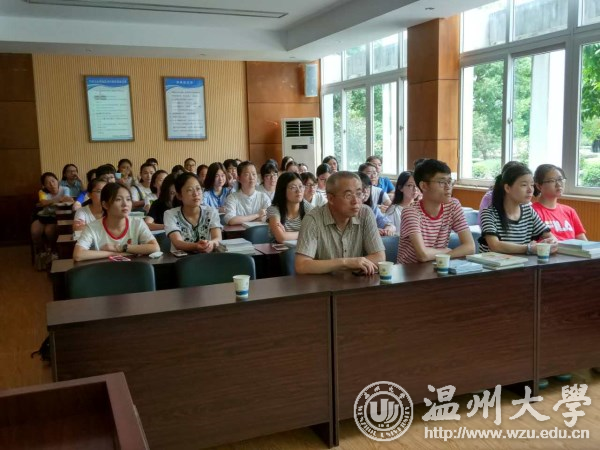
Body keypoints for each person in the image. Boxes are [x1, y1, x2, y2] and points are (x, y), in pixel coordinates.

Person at [295, 171, 385, 275]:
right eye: (348, 195)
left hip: (357, 282)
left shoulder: (365, 213)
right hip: (323, 283)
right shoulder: (313, 219)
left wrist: (351, 265)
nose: (356, 201)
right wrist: (345, 263)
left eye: (359, 194)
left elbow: (379, 257)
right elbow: (301, 265)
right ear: (331, 198)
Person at [398, 159, 475, 264]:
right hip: (412, 271)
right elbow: (423, 255)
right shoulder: (411, 212)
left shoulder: (453, 205)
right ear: (424, 186)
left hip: (439, 267)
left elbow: (470, 247)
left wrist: (446, 254)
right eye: (442, 182)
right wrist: (447, 251)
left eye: (450, 181)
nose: (448, 187)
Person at [479, 162, 557, 254]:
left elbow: (550, 236)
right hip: (494, 263)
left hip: (522, 262)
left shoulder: (528, 211)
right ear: (507, 188)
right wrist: (529, 248)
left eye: (532, 185)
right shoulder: (488, 213)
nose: (530, 190)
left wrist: (551, 242)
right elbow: (495, 246)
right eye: (524, 185)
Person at [73, 183, 159, 261]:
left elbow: (155, 247)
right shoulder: (92, 227)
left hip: (131, 269)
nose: (125, 204)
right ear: (105, 205)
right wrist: (113, 253)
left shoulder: (137, 223)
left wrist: (119, 248)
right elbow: (78, 255)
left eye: (128, 199)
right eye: (118, 199)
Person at [164, 172, 222, 253]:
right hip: (182, 259)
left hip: (207, 257)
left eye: (198, 189)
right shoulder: (170, 214)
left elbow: (217, 238)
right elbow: (178, 243)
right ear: (179, 196)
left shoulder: (211, 212)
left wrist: (211, 243)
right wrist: (196, 246)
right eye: (190, 190)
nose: (196, 194)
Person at [532, 164, 587, 241]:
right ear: (539, 186)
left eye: (560, 179)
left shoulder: (569, 211)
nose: (558, 184)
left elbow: (583, 242)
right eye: (551, 181)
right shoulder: (532, 212)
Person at [31, 172, 73, 268]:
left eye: (53, 181)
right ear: (44, 185)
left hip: (56, 217)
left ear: (57, 181)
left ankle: (53, 250)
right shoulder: (42, 192)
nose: (51, 184)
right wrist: (58, 200)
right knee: (35, 231)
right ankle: (42, 251)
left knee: (49, 231)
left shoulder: (65, 189)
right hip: (44, 216)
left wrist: (49, 202)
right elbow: (43, 203)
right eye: (47, 183)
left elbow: (67, 199)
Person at [267, 172, 313, 244]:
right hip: (278, 249)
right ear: (283, 191)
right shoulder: (274, 209)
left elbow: (317, 232)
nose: (299, 191)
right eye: (293, 187)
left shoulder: (307, 207)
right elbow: (281, 237)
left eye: (301, 186)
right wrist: (306, 232)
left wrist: (287, 235)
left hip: (303, 248)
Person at [477, 161, 523, 226]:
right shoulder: (489, 198)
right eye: (523, 184)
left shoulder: (527, 206)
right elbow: (483, 224)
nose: (530, 190)